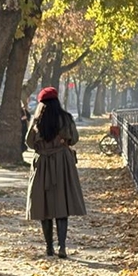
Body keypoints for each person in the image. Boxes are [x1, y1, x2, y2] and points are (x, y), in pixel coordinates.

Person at [25, 87, 87, 258]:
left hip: (43, 164)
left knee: (43, 205)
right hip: (62, 163)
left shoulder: (37, 121)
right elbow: (74, 139)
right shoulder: (65, 118)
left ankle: (48, 247)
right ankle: (62, 246)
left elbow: (29, 142)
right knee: (62, 204)